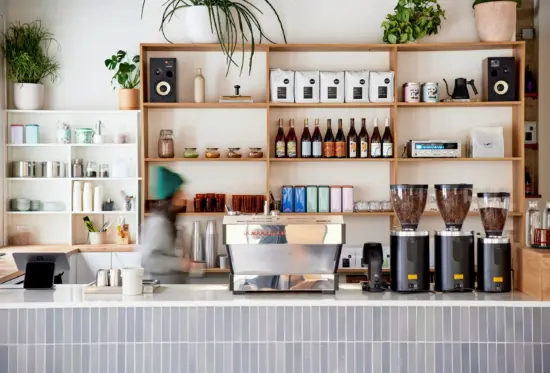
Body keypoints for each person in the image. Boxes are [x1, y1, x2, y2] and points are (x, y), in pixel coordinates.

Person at [138, 166, 189, 284]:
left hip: (170, 286)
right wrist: (180, 263)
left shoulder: (168, 220)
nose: (185, 197)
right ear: (172, 197)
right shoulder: (158, 223)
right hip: (161, 288)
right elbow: (149, 260)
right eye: (180, 193)